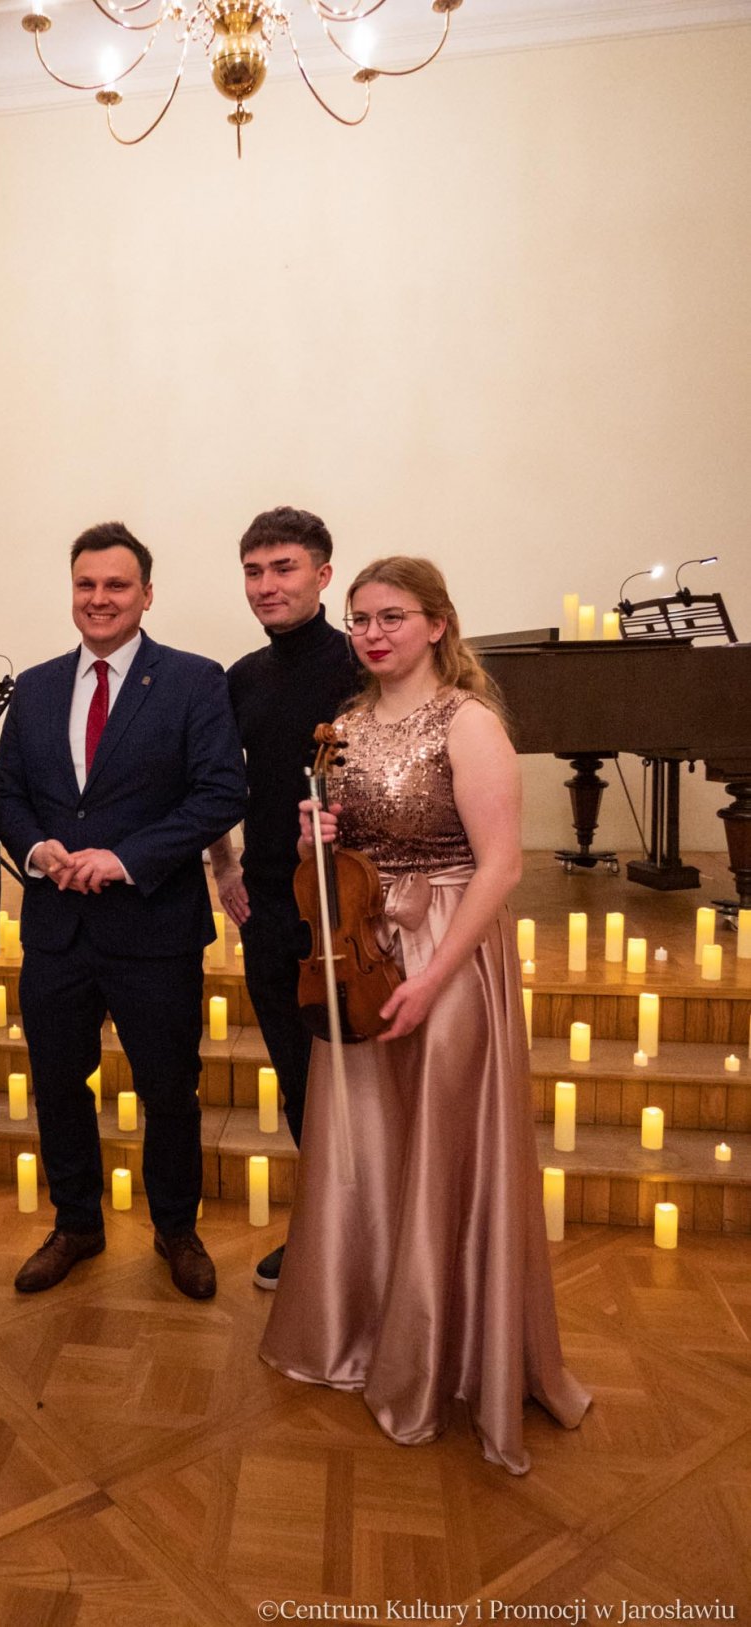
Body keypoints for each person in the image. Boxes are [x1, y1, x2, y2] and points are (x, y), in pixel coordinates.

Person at [259, 557, 590, 1473]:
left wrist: (436, 975)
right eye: (361, 617)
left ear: (437, 623)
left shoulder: (469, 721)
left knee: (444, 1149)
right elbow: (333, 858)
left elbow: (502, 867)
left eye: (392, 616)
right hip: (363, 948)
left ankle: (445, 1358)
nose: (372, 632)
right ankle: (364, 1334)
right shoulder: (349, 726)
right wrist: (310, 836)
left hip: (448, 948)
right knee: (366, 1147)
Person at [0, 522, 247, 1300]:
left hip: (154, 928)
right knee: (58, 1083)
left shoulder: (194, 679)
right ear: (72, 590)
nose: (98, 599)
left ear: (146, 594)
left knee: (169, 1086)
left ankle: (177, 1227)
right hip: (57, 930)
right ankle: (77, 1223)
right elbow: (5, 792)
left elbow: (220, 793)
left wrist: (126, 858)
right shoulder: (33, 686)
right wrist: (39, 851)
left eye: (116, 585)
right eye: (85, 584)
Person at [207, 506, 360, 1291]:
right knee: (299, 1075)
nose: (267, 586)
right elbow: (213, 784)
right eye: (254, 571)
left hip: (354, 912)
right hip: (268, 906)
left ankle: (379, 1230)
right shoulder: (243, 676)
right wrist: (222, 860)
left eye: (284, 568)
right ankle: (326, 1230)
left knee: (360, 1081)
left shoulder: (362, 666)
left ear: (323, 575)